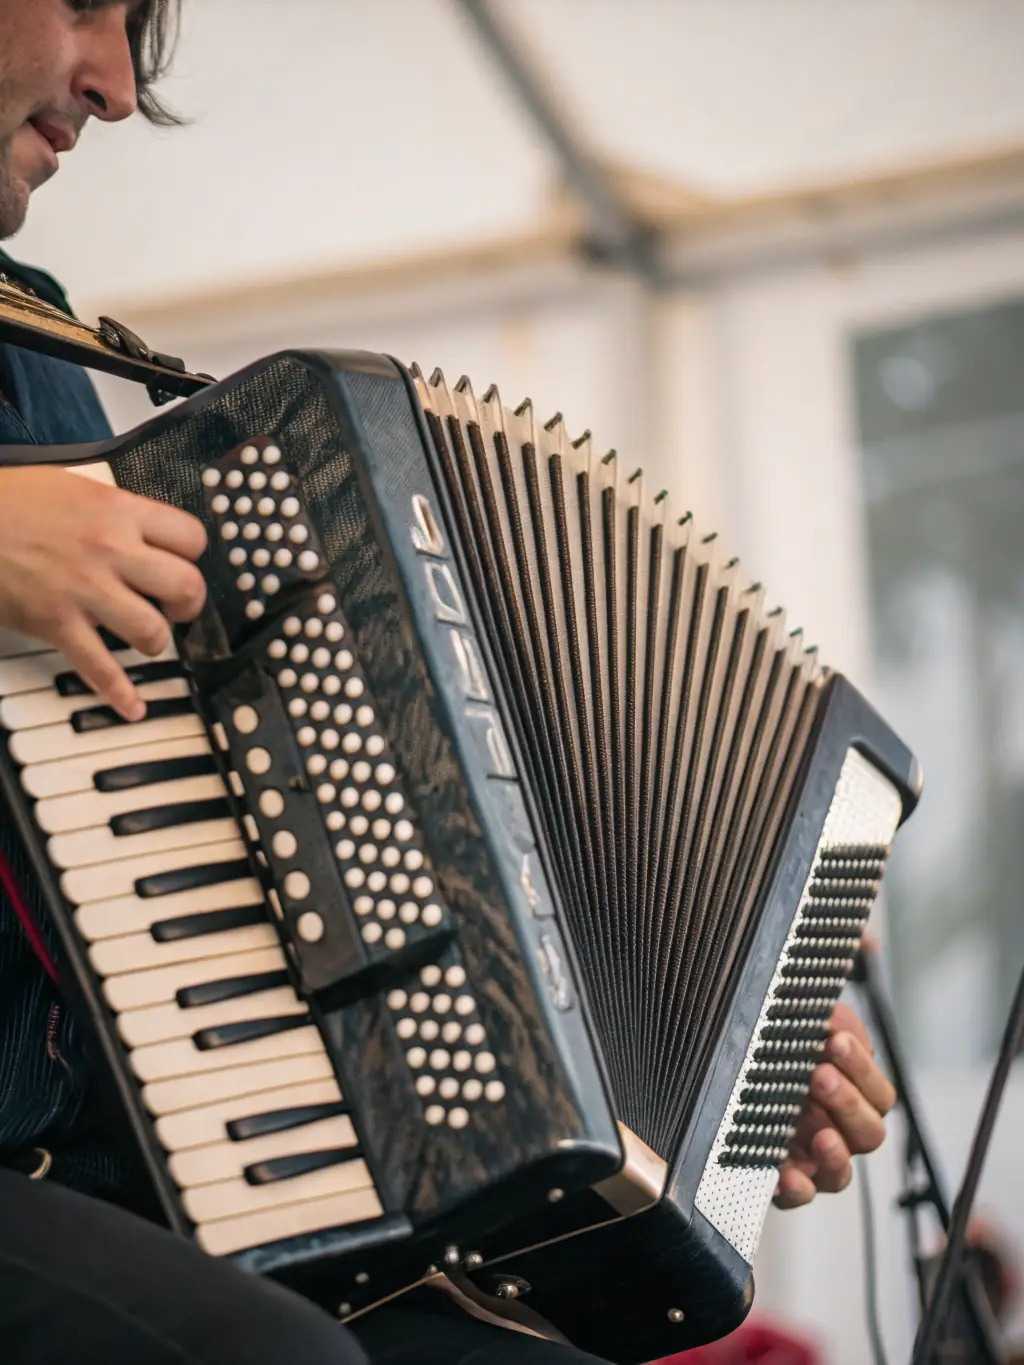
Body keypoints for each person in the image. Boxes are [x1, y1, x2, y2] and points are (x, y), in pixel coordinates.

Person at [0, 4, 898, 1363]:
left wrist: (704, 1075)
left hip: (107, 1155)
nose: (116, 86)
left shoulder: (40, 362)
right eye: (82, 0)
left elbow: (192, 846)